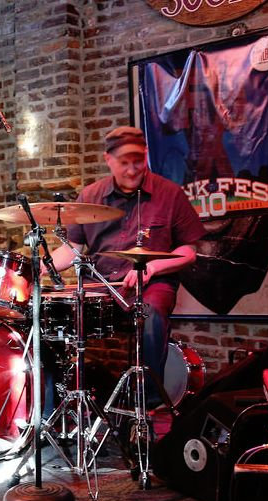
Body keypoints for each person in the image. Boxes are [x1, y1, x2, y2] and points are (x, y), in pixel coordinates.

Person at [50, 126, 207, 408]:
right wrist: (41, 269)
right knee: (49, 315)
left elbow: (189, 252)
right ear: (108, 159)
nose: (133, 169)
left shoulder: (169, 194)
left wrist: (153, 268)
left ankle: (146, 402)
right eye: (124, 163)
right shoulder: (91, 194)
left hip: (152, 285)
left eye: (138, 160)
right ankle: (56, 402)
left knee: (149, 314)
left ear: (146, 155)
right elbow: (72, 248)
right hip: (103, 283)